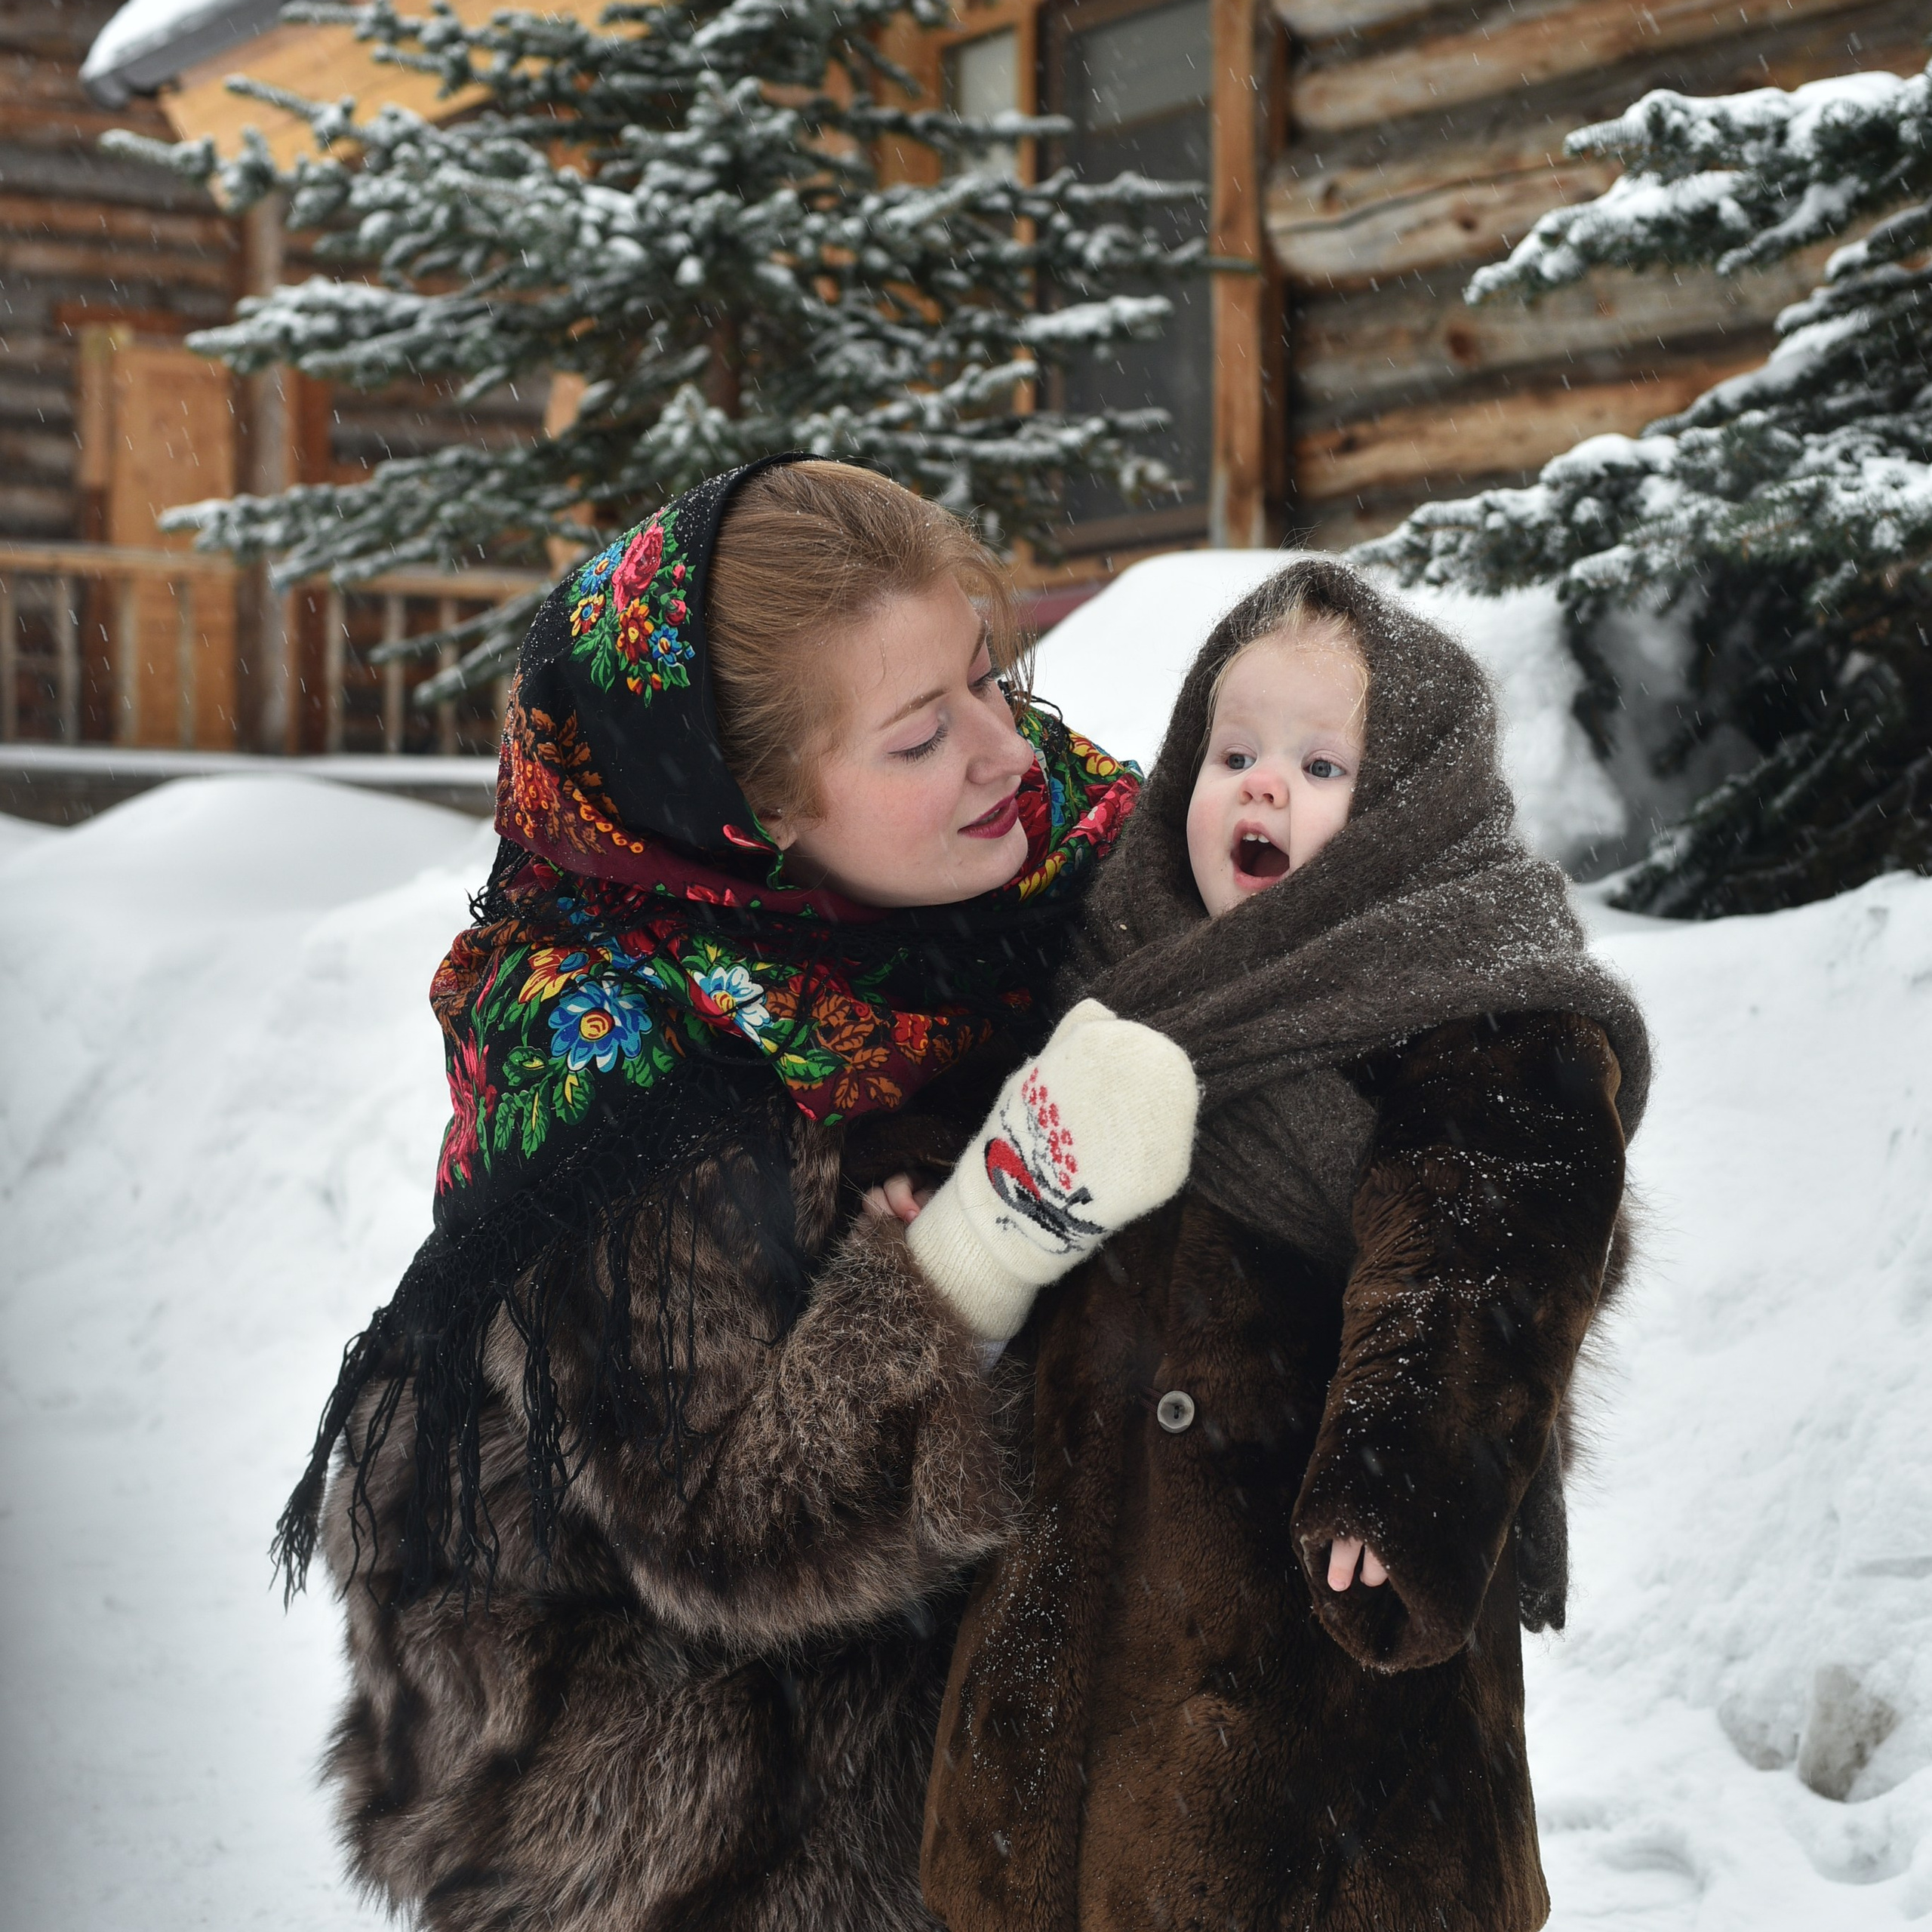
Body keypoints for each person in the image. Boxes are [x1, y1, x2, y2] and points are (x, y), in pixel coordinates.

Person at [272, 455, 1196, 1931]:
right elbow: (733, 1525)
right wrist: (984, 1238)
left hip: (1002, 1668)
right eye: (916, 736)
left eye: (988, 679)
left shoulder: (1057, 854)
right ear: (755, 809)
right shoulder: (614, 1076)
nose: (1001, 753)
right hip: (681, 1766)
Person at [914, 558, 1652, 1932]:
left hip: (1316, 1740)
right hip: (1059, 1693)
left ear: (1407, 815)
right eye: (1232, 751)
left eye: (1321, 764)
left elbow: (1488, 1247)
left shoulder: (1475, 1010)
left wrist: (1404, 1470)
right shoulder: (1123, 972)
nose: (1260, 787)